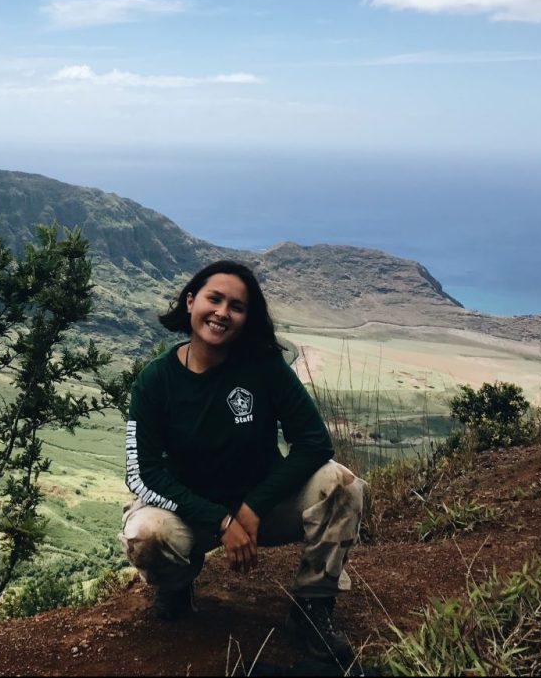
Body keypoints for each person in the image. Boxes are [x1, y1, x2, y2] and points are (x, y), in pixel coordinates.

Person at [119, 260, 366, 665]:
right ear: (191, 301)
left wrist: (252, 508)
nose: (222, 312)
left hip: (262, 510)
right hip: (192, 516)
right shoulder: (154, 381)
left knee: (343, 485)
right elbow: (143, 474)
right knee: (146, 534)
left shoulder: (264, 368)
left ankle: (312, 607)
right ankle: (176, 586)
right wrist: (221, 520)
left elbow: (314, 443)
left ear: (246, 319)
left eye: (237, 306)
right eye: (214, 299)